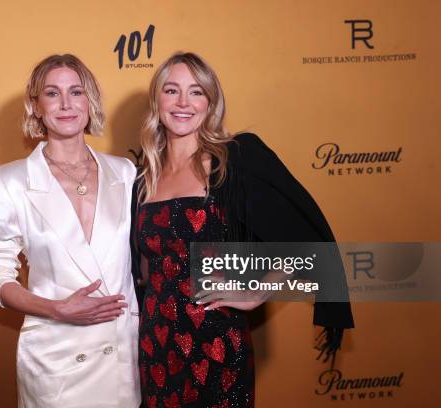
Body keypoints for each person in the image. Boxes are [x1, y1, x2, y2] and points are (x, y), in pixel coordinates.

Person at [132, 52, 354, 407]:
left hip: (217, 340)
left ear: (211, 102)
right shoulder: (143, 179)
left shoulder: (233, 160)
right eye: (172, 91)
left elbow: (308, 238)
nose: (183, 103)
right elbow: (143, 270)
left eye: (196, 92)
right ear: (157, 100)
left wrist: (255, 292)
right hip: (156, 344)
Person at [0, 54, 141, 408]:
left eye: (77, 92)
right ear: (36, 106)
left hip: (120, 357)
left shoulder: (125, 173)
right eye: (52, 93)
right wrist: (56, 309)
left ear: (90, 101)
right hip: (56, 359)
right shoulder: (10, 181)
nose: (66, 104)